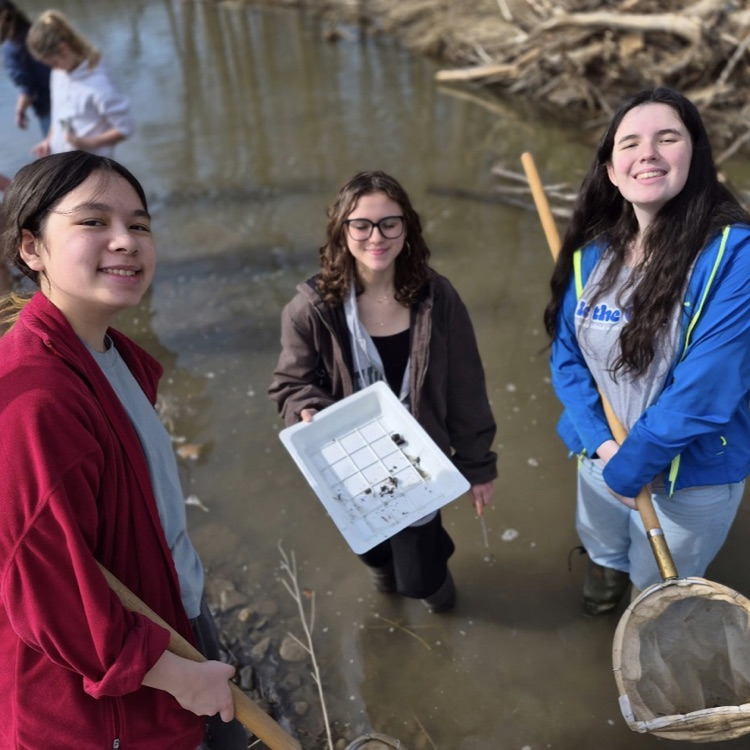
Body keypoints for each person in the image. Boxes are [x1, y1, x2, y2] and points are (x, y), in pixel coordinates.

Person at [0, 151, 249, 749]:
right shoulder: (37, 401)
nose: (127, 242)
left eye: (139, 225)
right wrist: (176, 676)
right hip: (108, 698)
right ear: (32, 249)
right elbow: (45, 584)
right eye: (93, 223)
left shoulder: (113, 357)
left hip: (172, 611)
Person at [544, 87, 750, 616]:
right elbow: (567, 359)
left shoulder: (735, 258)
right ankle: (601, 590)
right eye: (630, 142)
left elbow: (705, 393)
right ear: (612, 171)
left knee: (656, 596)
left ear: (696, 156)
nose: (648, 152)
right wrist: (603, 447)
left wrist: (629, 465)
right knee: (604, 551)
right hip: (601, 454)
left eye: (668, 138)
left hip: (687, 477)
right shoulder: (592, 256)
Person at [268, 170, 497, 613]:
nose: (377, 236)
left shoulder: (436, 297)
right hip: (351, 461)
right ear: (342, 230)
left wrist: (478, 464)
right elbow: (290, 384)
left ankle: (442, 610)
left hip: (421, 460)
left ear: (406, 228)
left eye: (390, 223)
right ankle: (383, 588)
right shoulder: (311, 308)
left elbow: (466, 386)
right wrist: (306, 409)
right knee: (372, 551)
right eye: (362, 224)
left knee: (422, 576)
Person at [26, 9, 133, 158]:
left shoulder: (99, 85)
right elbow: (59, 114)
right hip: (63, 162)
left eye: (54, 63)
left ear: (64, 49)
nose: (53, 68)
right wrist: (49, 141)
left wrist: (88, 143)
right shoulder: (59, 73)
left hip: (90, 169)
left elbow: (125, 129)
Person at [0, 1, 50, 134]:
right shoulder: (36, 32)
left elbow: (28, 90)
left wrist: (19, 112)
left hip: (48, 107)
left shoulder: (10, 49)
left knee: (63, 154)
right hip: (66, 99)